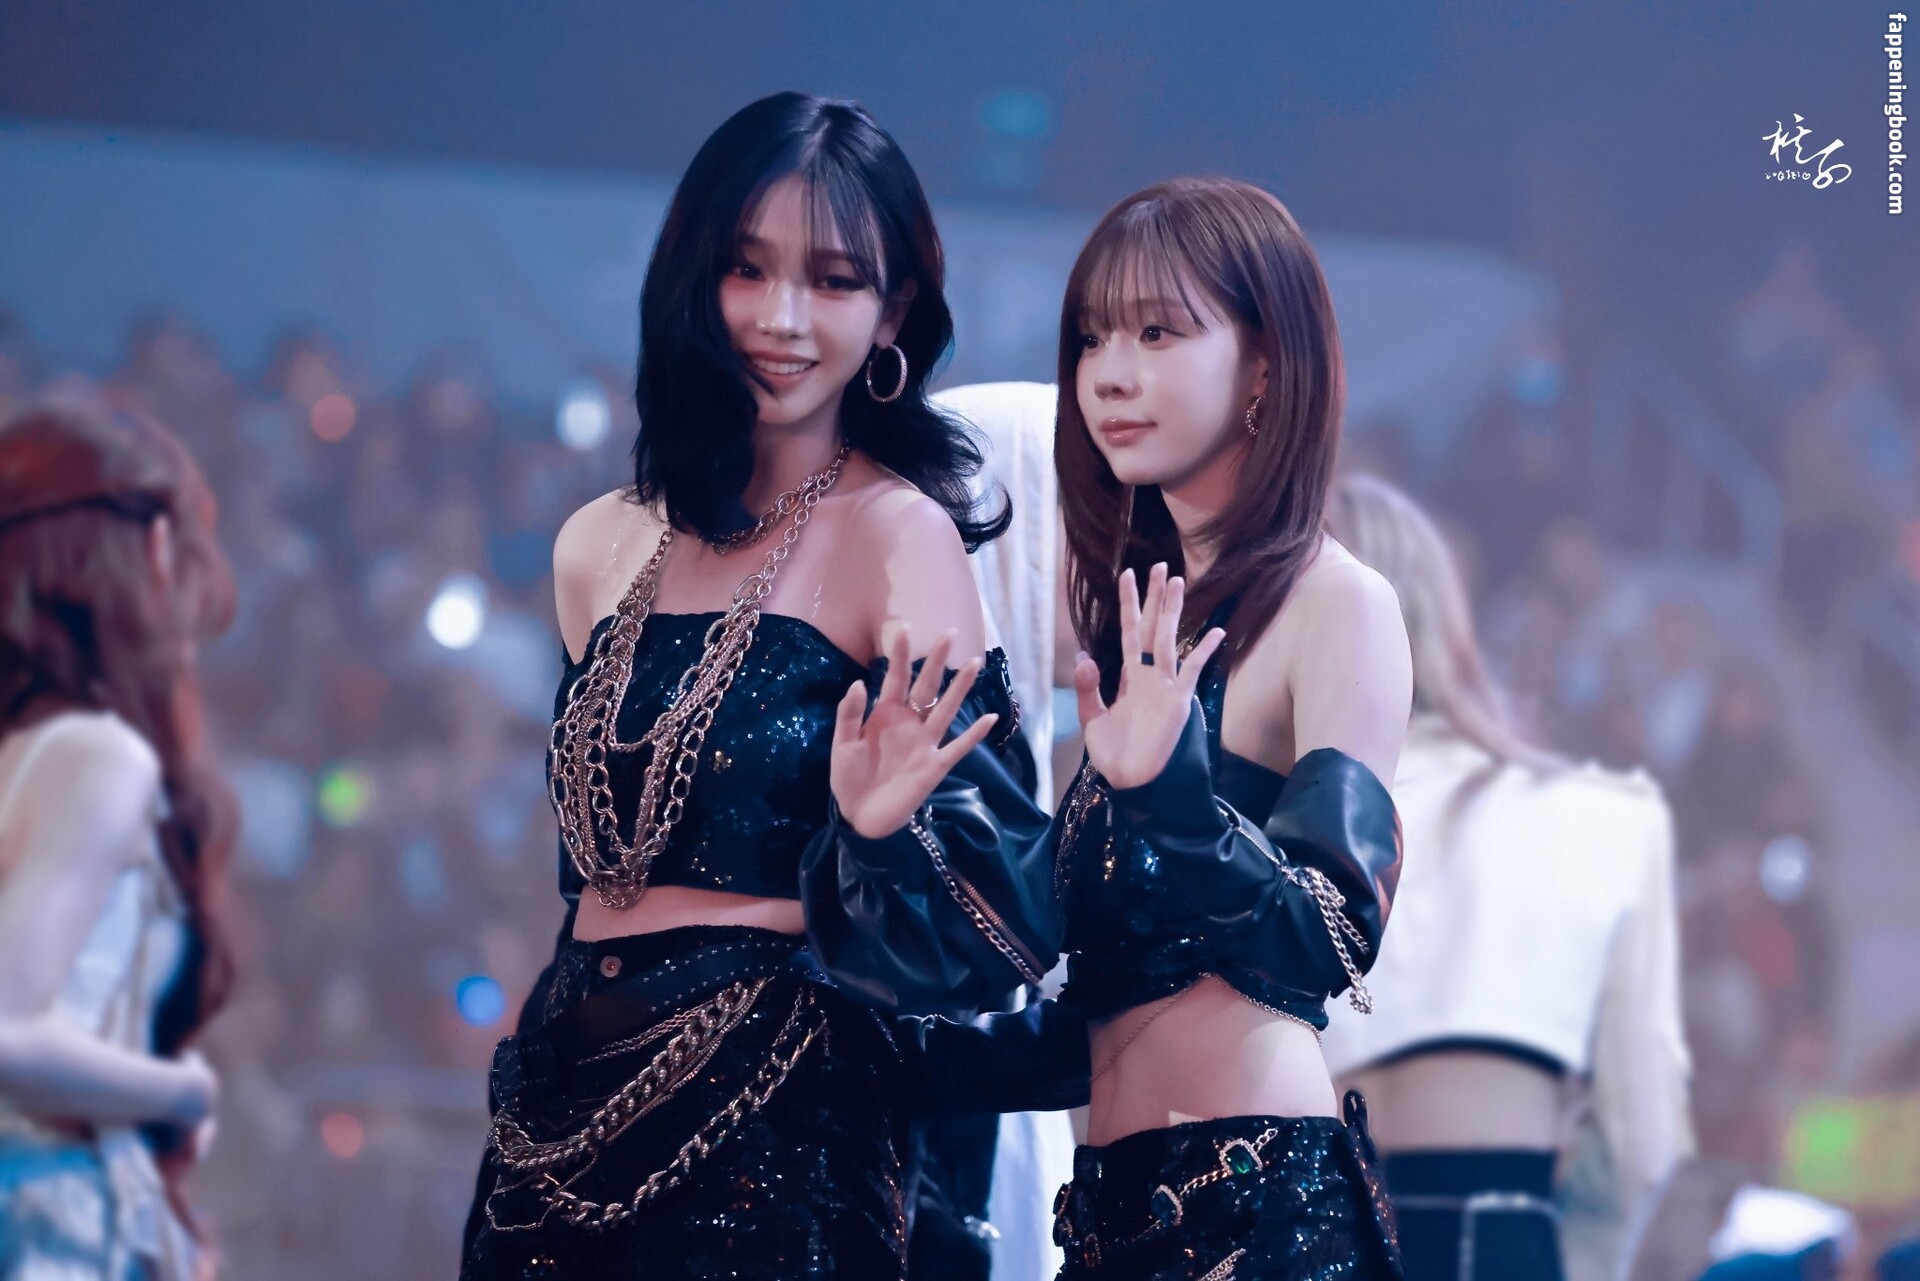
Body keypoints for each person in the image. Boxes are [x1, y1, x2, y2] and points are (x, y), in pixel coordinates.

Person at [461, 92, 1057, 1280]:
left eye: (833, 281)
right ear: (695, 276)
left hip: (774, 1118)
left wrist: (878, 836)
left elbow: (991, 908)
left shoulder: (900, 537)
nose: (781, 318)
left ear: (892, 312)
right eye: (748, 269)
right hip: (555, 1114)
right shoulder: (597, 544)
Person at [1044, 176, 1412, 1279]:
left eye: (1157, 333)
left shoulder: (1338, 604)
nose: (1111, 373)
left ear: (1264, 367)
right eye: (1094, 337)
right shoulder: (1141, 636)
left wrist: (1169, 798)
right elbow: (1110, 1008)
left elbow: (1330, 933)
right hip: (1104, 1220)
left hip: (1257, 1213)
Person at [1322, 473, 1692, 1281]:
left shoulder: (1235, 826)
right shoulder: (1603, 820)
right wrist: (1575, 1261)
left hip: (1305, 1224)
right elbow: (1639, 1139)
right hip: (1496, 1229)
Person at [0, 399, 238, 1281]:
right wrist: (180, 1090)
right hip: (47, 1221)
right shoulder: (97, 756)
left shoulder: (26, 754)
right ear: (148, 552)